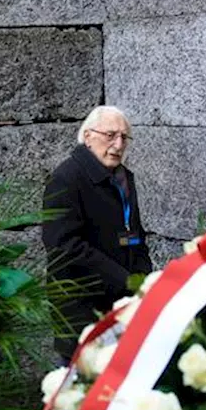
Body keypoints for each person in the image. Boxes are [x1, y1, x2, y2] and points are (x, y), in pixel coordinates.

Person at [42, 106, 153, 361]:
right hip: (82, 304)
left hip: (123, 299)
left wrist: (143, 278)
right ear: (88, 136)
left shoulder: (124, 178)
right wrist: (124, 279)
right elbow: (64, 245)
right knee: (78, 386)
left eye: (125, 137)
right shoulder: (66, 179)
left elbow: (135, 233)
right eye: (110, 135)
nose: (118, 144)